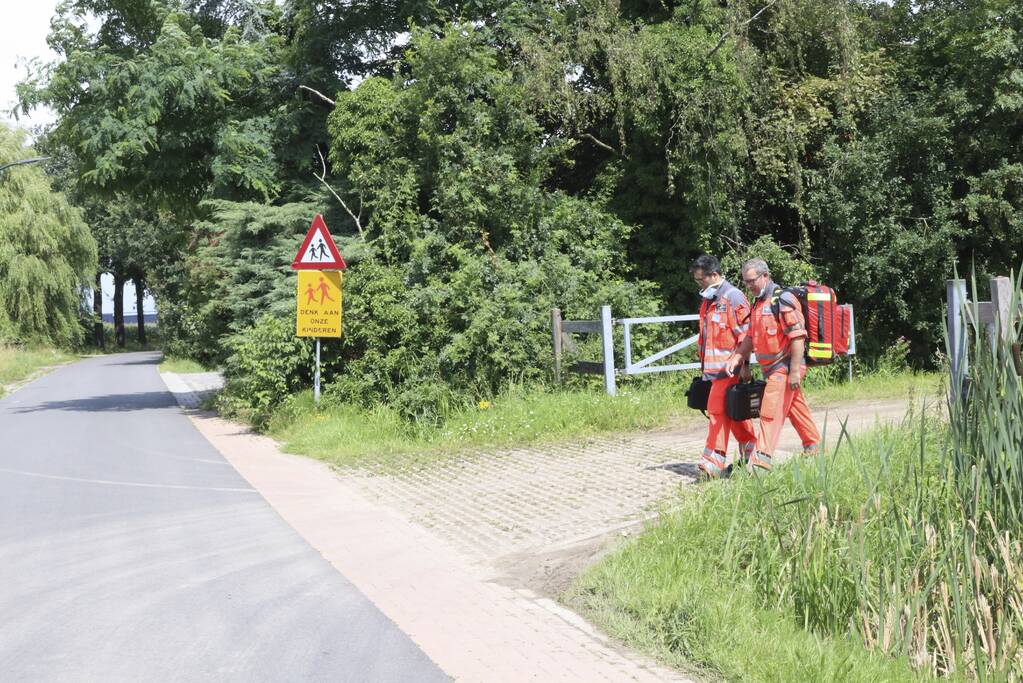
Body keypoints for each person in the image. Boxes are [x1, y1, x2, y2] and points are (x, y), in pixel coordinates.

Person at [724, 258, 820, 471]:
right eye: (745, 282)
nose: (748, 286)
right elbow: (750, 336)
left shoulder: (783, 300)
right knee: (796, 407)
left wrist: (795, 371)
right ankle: (814, 447)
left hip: (785, 366)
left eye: (752, 281)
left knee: (770, 412)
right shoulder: (758, 303)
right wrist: (739, 357)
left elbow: (797, 337)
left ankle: (760, 462)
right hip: (773, 369)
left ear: (765, 276)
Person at [690, 254, 758, 478]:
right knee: (733, 413)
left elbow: (746, 336)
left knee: (717, 412)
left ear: (715, 275)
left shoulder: (734, 298)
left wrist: (745, 365)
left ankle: (713, 462)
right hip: (711, 371)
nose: (699, 285)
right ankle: (752, 451)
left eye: (701, 280)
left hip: (728, 369)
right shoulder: (708, 301)